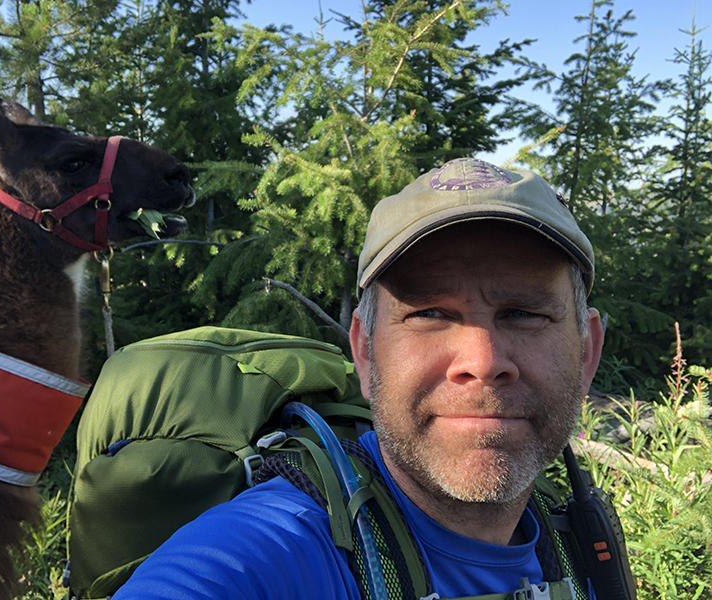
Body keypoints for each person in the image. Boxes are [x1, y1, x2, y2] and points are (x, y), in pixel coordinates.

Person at [113, 157, 605, 600]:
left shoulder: (576, 543)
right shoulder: (274, 550)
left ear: (587, 352)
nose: (482, 360)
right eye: (429, 312)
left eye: (523, 312)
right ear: (365, 354)